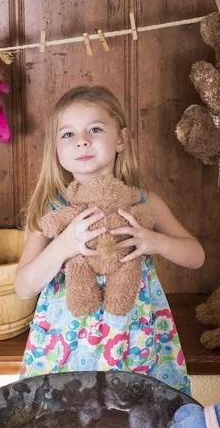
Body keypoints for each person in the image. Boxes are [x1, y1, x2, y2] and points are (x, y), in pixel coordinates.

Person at [15, 85, 205, 395]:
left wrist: (153, 241)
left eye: (95, 129)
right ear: (56, 150)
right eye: (68, 135)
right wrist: (64, 246)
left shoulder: (144, 201)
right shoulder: (51, 207)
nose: (83, 141)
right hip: (69, 344)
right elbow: (24, 286)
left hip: (133, 338)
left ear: (120, 139)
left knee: (136, 420)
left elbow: (196, 255)